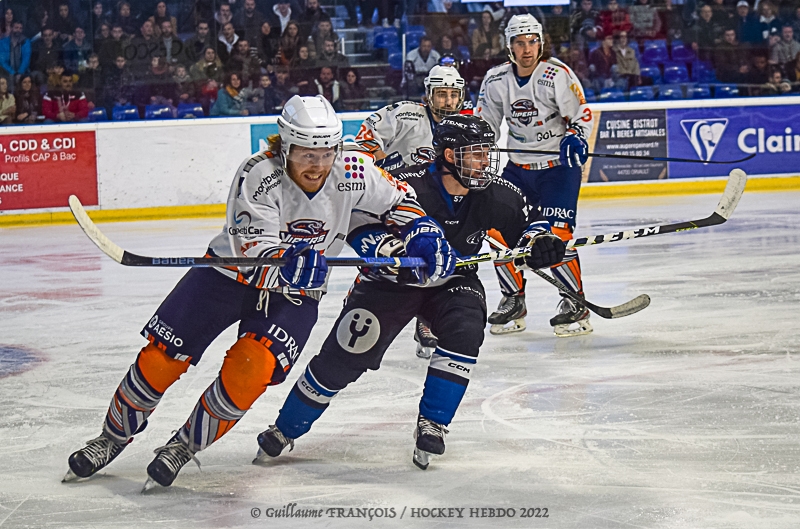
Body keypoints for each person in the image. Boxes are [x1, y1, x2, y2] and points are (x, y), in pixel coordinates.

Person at [64, 94, 448, 489]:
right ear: (285, 145)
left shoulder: (353, 168)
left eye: (325, 152)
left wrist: (422, 230)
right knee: (160, 361)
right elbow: (254, 246)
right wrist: (290, 256)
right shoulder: (258, 172)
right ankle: (110, 438)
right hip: (227, 277)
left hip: (294, 294)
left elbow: (400, 200)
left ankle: (182, 447)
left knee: (251, 371)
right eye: (305, 153)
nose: (317, 165)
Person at [254, 114, 564, 470]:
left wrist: (540, 243)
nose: (485, 162)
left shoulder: (496, 193)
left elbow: (530, 225)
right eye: (476, 153)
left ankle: (434, 422)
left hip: (453, 279)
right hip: (391, 282)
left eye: (486, 153)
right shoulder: (407, 185)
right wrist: (388, 251)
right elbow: (357, 219)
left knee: (466, 328)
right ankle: (286, 427)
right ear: (449, 155)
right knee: (345, 355)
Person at [476, 13, 596, 337]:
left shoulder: (557, 74)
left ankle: (574, 303)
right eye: (519, 42)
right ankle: (513, 300)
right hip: (517, 170)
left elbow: (582, 114)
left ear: (540, 43)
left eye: (532, 42)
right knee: (496, 228)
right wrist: (471, 148)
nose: (527, 49)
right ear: (509, 47)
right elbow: (484, 125)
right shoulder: (496, 80)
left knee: (555, 236)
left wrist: (576, 135)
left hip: (558, 170)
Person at [355, 64, 466, 356]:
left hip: (435, 203)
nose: (448, 102)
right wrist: (381, 164)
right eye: (441, 95)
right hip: (395, 200)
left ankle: (425, 319)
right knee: (388, 258)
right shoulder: (405, 114)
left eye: (453, 95)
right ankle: (361, 297)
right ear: (428, 95)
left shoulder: (465, 125)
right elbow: (364, 141)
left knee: (435, 257)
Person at [0, 21, 30, 86]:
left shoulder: (26, 42)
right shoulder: (2, 42)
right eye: (16, 27)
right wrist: (13, 73)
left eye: (20, 28)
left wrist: (19, 73)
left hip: (23, 72)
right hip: (7, 72)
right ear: (11, 28)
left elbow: (26, 59)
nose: (18, 30)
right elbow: (2, 61)